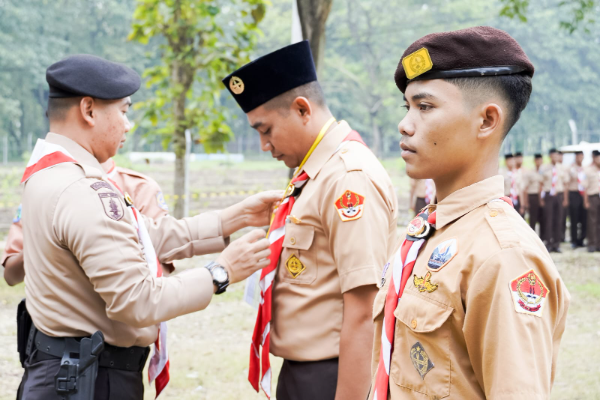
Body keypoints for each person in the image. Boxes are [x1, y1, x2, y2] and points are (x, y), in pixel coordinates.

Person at [17, 54, 281, 400]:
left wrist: (235, 217)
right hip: (91, 380)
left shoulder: (51, 173)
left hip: (66, 370)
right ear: (89, 110)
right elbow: (137, 300)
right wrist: (221, 272)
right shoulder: (82, 190)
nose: (128, 125)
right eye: (124, 111)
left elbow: (143, 236)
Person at [369, 26, 570, 400]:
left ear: (487, 120)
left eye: (425, 107)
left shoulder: (503, 256)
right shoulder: (430, 230)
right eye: (407, 107)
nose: (405, 124)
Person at [223, 41, 398, 400]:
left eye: (266, 130)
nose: (264, 145)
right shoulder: (314, 173)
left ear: (302, 109)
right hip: (303, 372)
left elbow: (364, 310)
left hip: (331, 375)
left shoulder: (348, 178)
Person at [2, 158, 174, 286]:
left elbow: (161, 272)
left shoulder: (140, 188)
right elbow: (11, 275)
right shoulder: (44, 190)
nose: (127, 126)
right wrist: (46, 241)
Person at [540, 148, 568, 252]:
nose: (555, 157)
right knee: (548, 219)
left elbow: (565, 184)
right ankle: (548, 243)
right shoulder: (544, 168)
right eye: (553, 156)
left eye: (557, 155)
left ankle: (557, 244)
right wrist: (541, 199)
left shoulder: (562, 168)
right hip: (548, 196)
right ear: (550, 156)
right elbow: (541, 184)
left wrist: (565, 198)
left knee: (558, 219)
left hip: (559, 195)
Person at [521, 153, 544, 235]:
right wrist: (526, 202)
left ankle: (543, 238)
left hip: (543, 197)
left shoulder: (544, 172)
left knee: (543, 218)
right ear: (534, 161)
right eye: (537, 160)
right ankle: (532, 236)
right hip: (533, 196)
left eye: (540, 160)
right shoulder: (530, 173)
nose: (539, 162)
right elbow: (525, 188)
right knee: (533, 218)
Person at [567, 151, 587, 248]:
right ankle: (574, 240)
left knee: (584, 217)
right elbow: (567, 183)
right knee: (574, 217)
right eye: (578, 156)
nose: (580, 158)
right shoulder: (571, 168)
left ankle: (581, 239)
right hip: (574, 193)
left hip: (584, 194)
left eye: (581, 156)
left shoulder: (585, 169)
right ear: (575, 157)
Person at [583, 150, 600, 252]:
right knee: (592, 221)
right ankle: (592, 244)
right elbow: (585, 187)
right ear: (594, 159)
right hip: (593, 197)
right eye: (597, 158)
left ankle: (598, 244)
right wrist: (586, 201)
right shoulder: (588, 171)